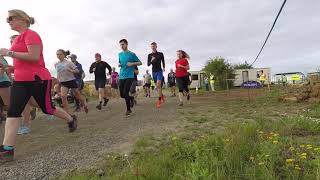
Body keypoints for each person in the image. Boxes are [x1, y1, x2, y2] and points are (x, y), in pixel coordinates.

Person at [0, 9, 78, 161]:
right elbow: (21, 62)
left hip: (38, 79)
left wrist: (8, 53)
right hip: (21, 81)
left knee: (48, 108)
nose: (8, 21)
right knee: (13, 110)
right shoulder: (17, 39)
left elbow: (34, 57)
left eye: (10, 18)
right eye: (6, 19)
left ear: (22, 19)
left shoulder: (31, 35)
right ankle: (7, 149)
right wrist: (10, 68)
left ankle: (71, 119)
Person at [55, 49, 88, 115]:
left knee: (77, 95)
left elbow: (77, 71)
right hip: (63, 82)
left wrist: (71, 70)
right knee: (63, 97)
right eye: (57, 54)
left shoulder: (69, 63)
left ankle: (84, 104)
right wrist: (58, 83)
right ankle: (68, 114)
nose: (59, 56)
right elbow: (58, 74)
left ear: (64, 55)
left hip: (71, 81)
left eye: (60, 54)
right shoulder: (56, 64)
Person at [118, 39, 142, 117]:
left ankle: (129, 110)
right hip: (121, 76)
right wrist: (120, 65)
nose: (122, 46)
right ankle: (131, 98)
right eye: (120, 45)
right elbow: (121, 62)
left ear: (127, 44)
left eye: (123, 44)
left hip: (130, 76)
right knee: (122, 95)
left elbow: (140, 63)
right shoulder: (120, 54)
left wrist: (132, 63)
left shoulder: (132, 54)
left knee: (125, 92)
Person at [147, 42, 165, 108]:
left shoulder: (160, 54)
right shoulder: (149, 55)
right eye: (152, 46)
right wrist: (151, 60)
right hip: (153, 72)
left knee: (158, 85)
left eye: (154, 46)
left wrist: (164, 67)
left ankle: (159, 100)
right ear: (151, 47)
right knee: (157, 87)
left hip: (159, 71)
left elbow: (163, 60)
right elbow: (148, 64)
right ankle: (162, 96)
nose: (153, 47)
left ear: (156, 46)